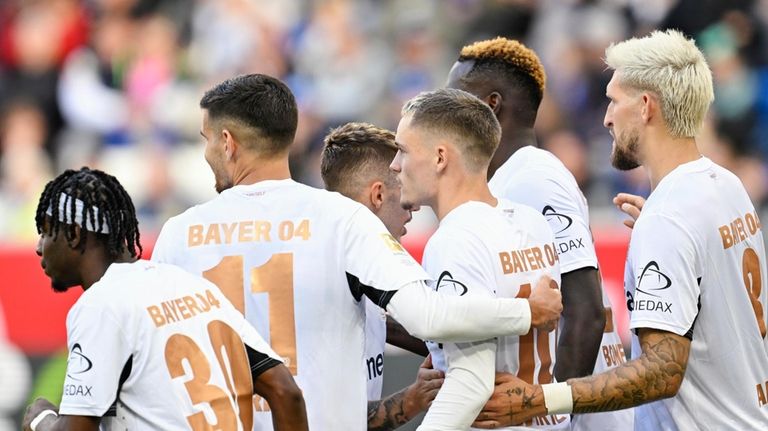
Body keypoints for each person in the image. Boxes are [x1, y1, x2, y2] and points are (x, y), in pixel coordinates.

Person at [150, 73, 563, 429]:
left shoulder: (176, 234)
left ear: (227, 142)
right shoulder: (343, 219)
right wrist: (528, 311)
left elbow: (158, 371)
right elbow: (427, 315)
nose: (206, 152)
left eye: (205, 140)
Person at [472, 29, 768, 430]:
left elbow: (662, 371)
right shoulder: (724, 185)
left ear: (646, 106)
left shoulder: (670, 218)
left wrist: (543, 399)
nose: (606, 117)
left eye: (613, 101)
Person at [21, 167, 308, 431]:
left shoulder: (100, 305)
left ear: (73, 234)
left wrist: (41, 420)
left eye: (46, 231)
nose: (38, 247)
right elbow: (286, 392)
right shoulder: (192, 285)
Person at [446, 37, 630, 430]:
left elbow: (585, 311)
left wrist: (554, 415)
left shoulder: (534, 179)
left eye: (455, 98)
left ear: (491, 104)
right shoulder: (504, 180)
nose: (445, 113)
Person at [389, 87, 567, 430]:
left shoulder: (456, 239)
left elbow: (471, 381)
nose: (394, 166)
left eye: (402, 150)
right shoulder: (532, 222)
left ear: (440, 158)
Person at [320, 121, 442, 430]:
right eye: (403, 192)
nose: (412, 208)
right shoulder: (328, 286)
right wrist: (412, 399)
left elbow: (381, 321)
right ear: (377, 195)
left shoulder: (334, 258)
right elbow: (328, 421)